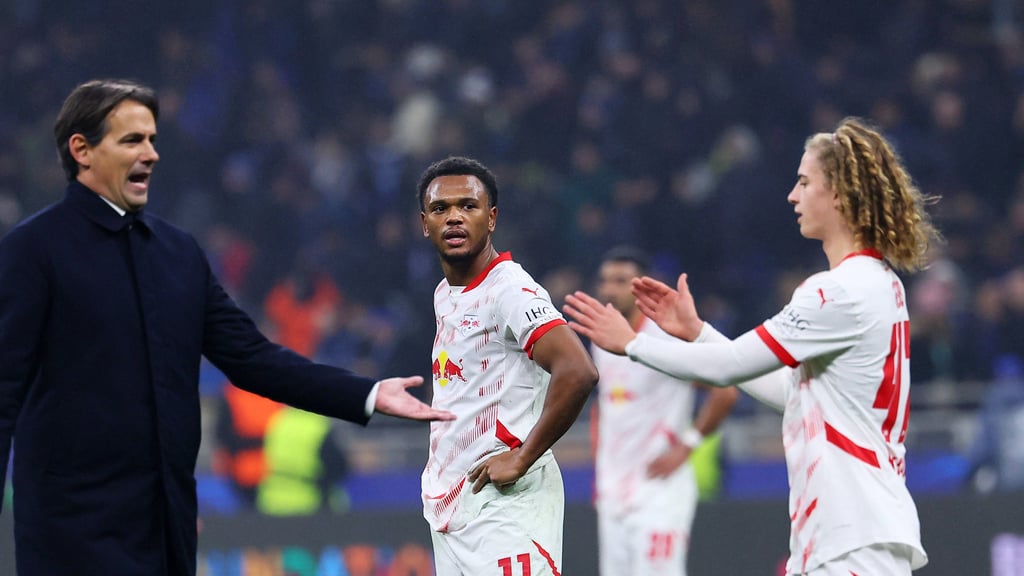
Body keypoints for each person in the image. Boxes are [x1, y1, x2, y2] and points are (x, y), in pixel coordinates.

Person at [0, 78, 453, 576]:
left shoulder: (178, 255)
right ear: (81, 151)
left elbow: (253, 358)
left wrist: (365, 395)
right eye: (132, 140)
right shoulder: (33, 252)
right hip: (69, 536)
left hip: (163, 532)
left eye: (153, 139)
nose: (150, 154)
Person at [564, 117, 937, 575]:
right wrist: (699, 331)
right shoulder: (879, 285)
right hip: (849, 532)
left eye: (804, 182)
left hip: (851, 535)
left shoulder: (836, 291)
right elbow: (789, 391)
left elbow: (729, 368)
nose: (793, 196)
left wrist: (633, 346)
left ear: (839, 193)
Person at [417, 156, 598, 576]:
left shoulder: (510, 290)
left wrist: (522, 457)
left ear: (492, 218)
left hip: (507, 507)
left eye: (469, 205)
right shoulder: (446, 293)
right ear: (425, 223)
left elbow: (578, 369)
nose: (455, 217)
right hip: (457, 510)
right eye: (441, 209)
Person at [590, 245, 738, 576]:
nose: (609, 289)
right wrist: (600, 469)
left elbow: (725, 391)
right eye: (605, 280)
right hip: (613, 490)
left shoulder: (664, 338)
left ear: (640, 285)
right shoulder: (603, 338)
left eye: (620, 280)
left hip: (660, 488)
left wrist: (688, 445)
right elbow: (607, 404)